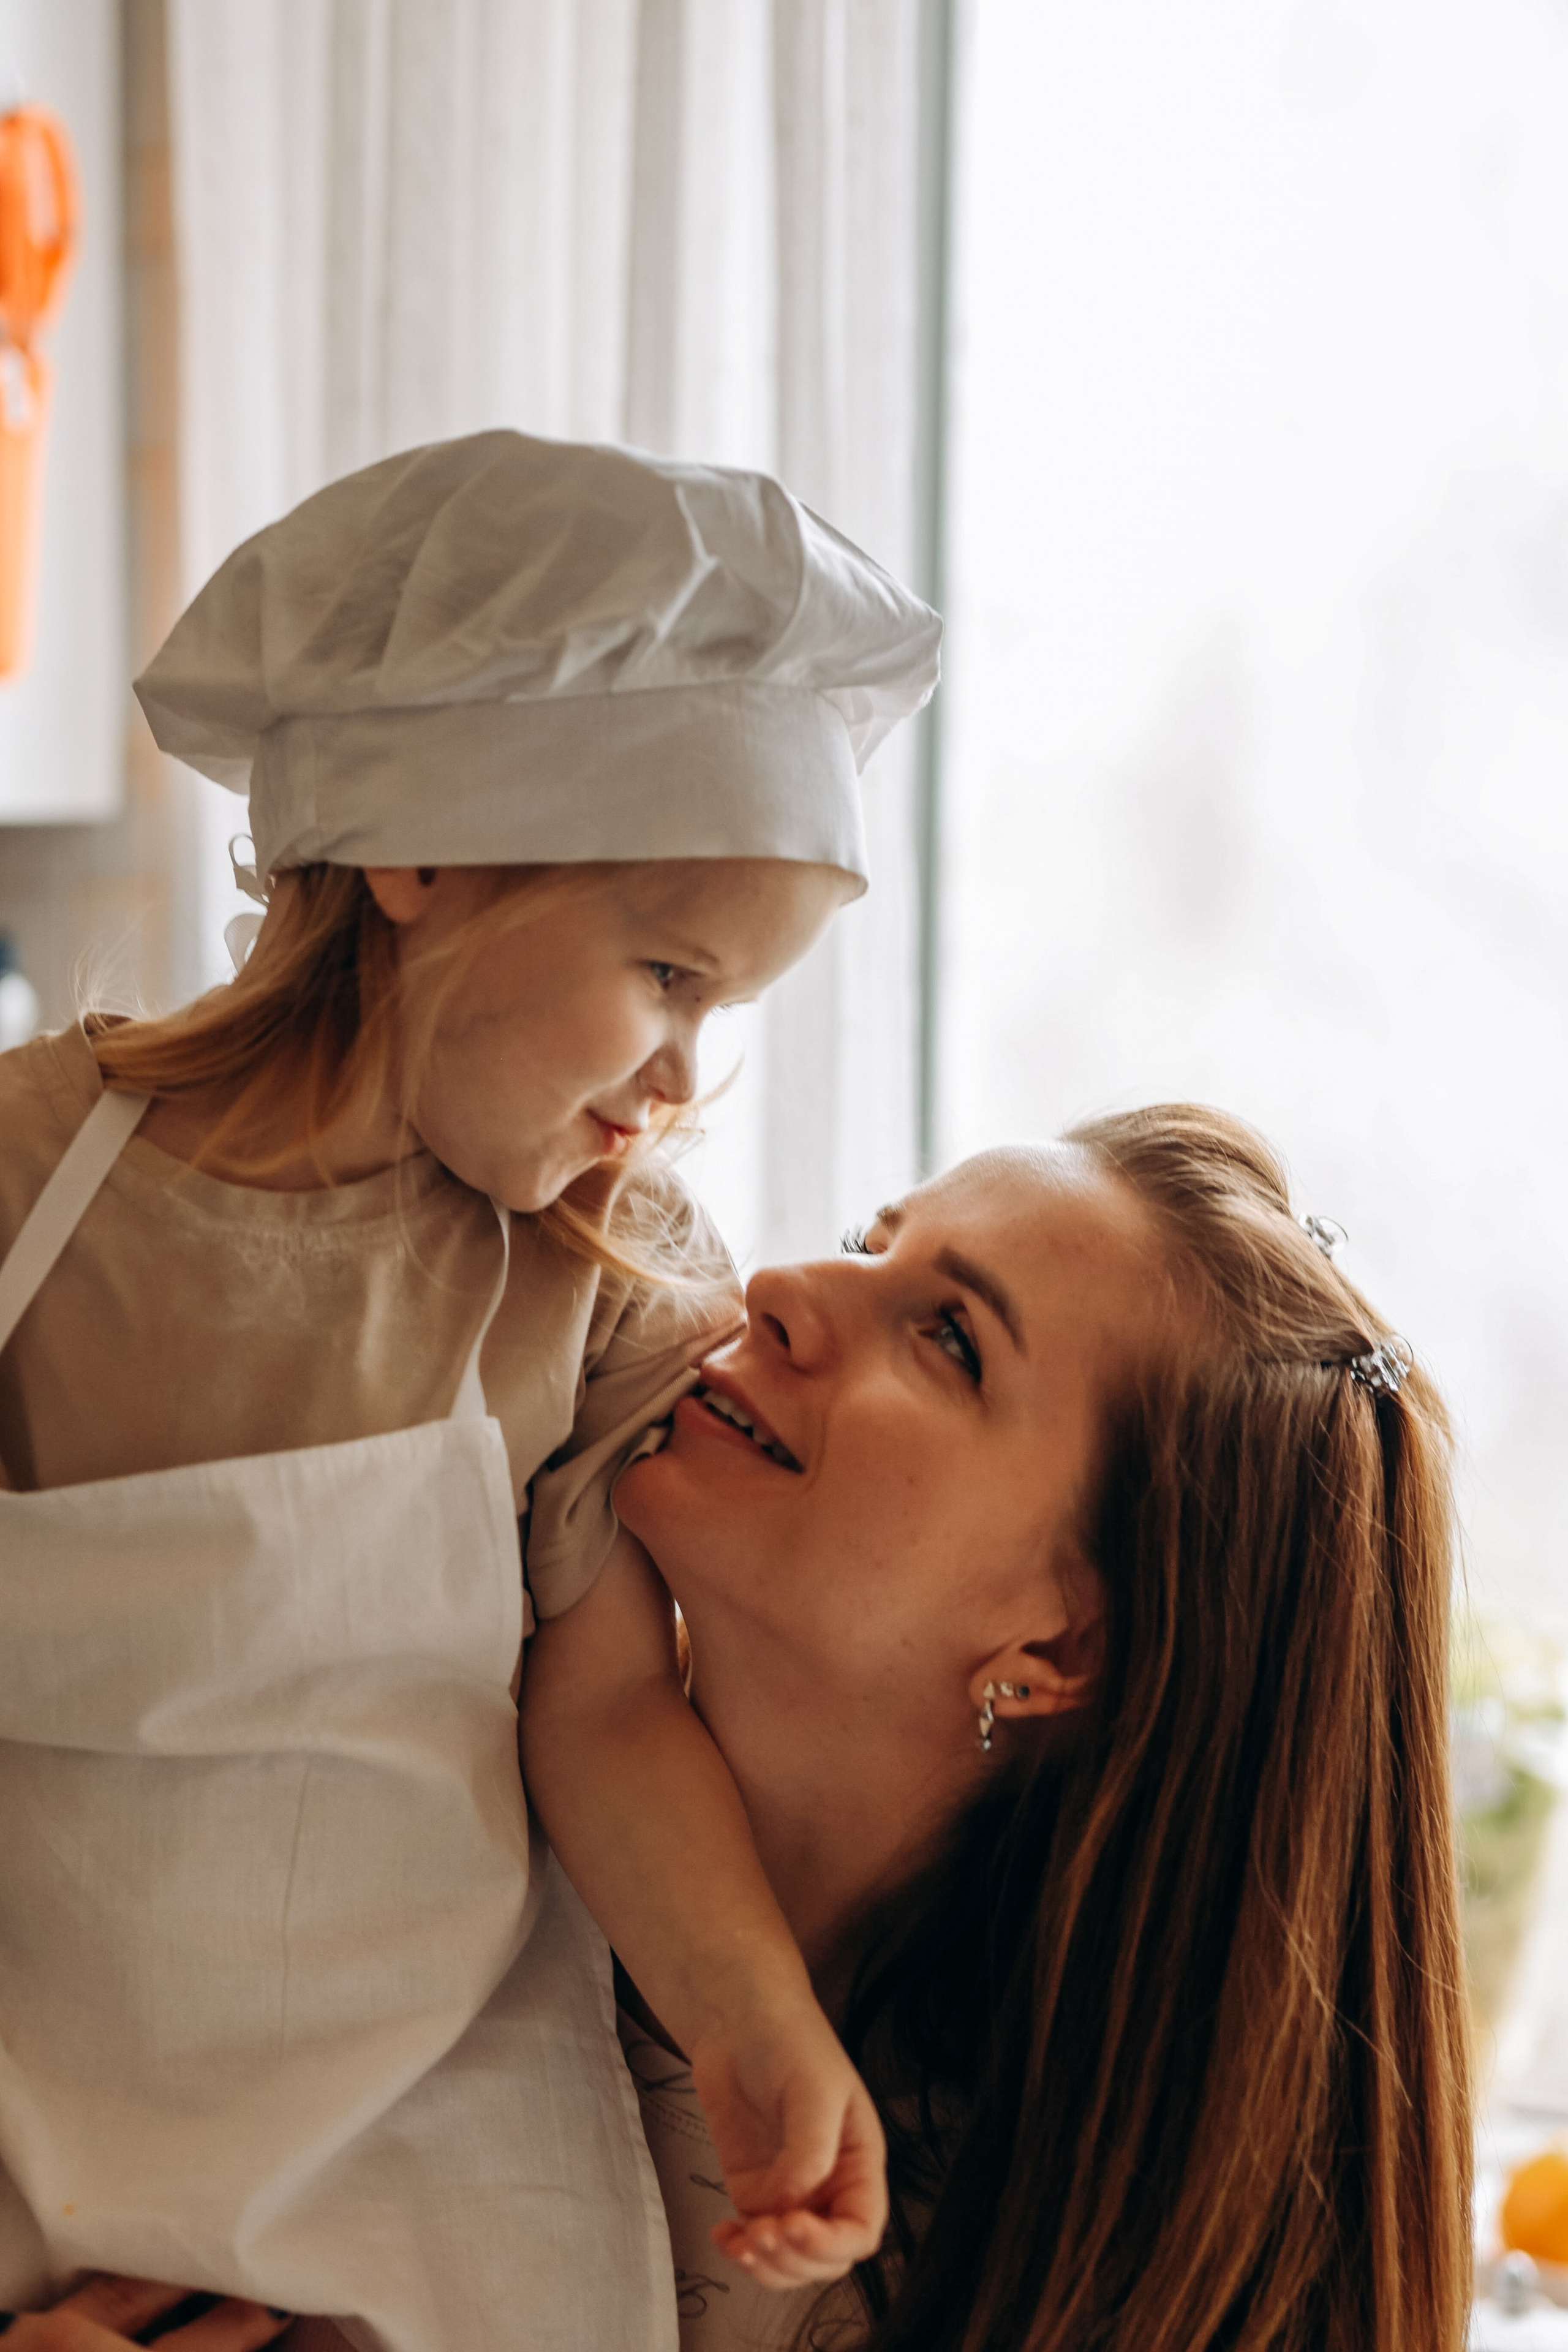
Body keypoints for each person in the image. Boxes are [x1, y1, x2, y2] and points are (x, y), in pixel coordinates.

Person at [4, 1106, 1472, 2351]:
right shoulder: (367, 1795)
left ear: (1057, 1647)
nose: (776, 1286)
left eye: (947, 1340)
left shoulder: (999, 2256)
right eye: (865, 1237)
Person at [0, 431, 939, 2351]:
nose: (681, 1074)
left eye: (726, 1014)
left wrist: (750, 2010)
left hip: (425, 2172)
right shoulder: (26, 1185)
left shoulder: (597, 1270)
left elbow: (602, 1714)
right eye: (668, 970)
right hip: (39, 2144)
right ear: (419, 848)